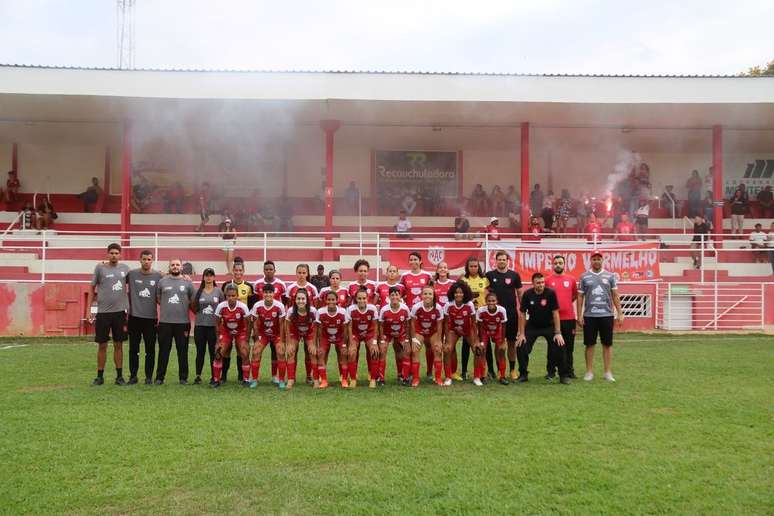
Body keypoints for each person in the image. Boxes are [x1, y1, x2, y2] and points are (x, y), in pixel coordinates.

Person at [86, 243, 130, 385]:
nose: (114, 255)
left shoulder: (125, 269)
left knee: (119, 345)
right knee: (102, 345)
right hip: (103, 313)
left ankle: (119, 376)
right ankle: (100, 376)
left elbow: (137, 280)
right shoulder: (100, 268)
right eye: (111, 253)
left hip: (119, 313)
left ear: (120, 255)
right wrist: (89, 309)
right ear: (107, 254)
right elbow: (92, 288)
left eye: (116, 253)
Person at [577, 252, 623, 382]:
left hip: (607, 315)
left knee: (607, 344)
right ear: (590, 261)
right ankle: (589, 372)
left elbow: (615, 295)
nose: (596, 261)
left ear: (602, 260)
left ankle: (607, 372)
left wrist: (620, 313)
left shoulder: (610, 276)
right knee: (589, 344)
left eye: (599, 259)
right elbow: (580, 297)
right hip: (589, 316)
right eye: (594, 259)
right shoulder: (584, 277)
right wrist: (579, 315)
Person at [516, 272, 569, 384]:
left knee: (560, 345)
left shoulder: (550, 293)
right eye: (538, 283)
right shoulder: (527, 294)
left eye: (542, 282)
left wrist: (558, 332)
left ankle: (562, 375)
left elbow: (555, 313)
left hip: (549, 326)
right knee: (521, 345)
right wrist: (521, 334)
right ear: (533, 284)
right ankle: (523, 374)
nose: (541, 285)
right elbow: (522, 314)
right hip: (533, 326)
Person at [155, 259, 195, 385]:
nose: (175, 267)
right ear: (169, 267)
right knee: (163, 351)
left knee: (182, 351)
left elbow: (192, 301)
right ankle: (160, 378)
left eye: (177, 265)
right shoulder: (162, 282)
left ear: (181, 267)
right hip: (165, 322)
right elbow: (158, 298)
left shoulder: (188, 282)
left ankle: (183, 378)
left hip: (183, 322)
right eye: (173, 265)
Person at [126, 250, 162, 385]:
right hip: (134, 317)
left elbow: (172, 277)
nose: (146, 262)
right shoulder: (131, 274)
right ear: (140, 260)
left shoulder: (159, 276)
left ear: (152, 261)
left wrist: (184, 277)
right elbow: (117, 277)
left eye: (149, 259)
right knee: (133, 349)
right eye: (144, 259)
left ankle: (148, 377)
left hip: (150, 318)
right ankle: (133, 376)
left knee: (150, 350)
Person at [485, 250, 523, 381]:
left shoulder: (514, 275)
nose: (501, 261)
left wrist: (523, 309)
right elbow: (485, 293)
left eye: (504, 259)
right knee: (498, 344)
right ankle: (499, 369)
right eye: (499, 259)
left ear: (508, 261)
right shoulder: (489, 275)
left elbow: (519, 293)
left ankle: (512, 370)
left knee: (511, 343)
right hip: (496, 316)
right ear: (495, 261)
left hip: (511, 314)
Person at [254, 260, 287, 383]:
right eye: (266, 269)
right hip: (263, 322)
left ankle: (276, 377)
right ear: (263, 270)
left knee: (277, 351)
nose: (268, 271)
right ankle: (254, 379)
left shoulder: (281, 284)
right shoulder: (257, 284)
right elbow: (254, 301)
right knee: (257, 350)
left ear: (274, 270)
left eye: (271, 269)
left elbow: (285, 301)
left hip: (276, 324)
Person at [212, 284, 251, 387]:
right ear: (226, 296)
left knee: (244, 351)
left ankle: (245, 379)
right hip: (226, 332)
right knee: (218, 351)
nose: (231, 298)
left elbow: (248, 323)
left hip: (240, 332)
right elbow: (216, 323)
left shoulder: (243, 307)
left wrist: (246, 339)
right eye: (229, 296)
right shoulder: (221, 306)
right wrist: (218, 340)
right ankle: (217, 379)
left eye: (233, 295)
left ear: (237, 295)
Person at [546, 256, 578, 379]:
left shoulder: (571, 280)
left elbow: (574, 296)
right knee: (553, 347)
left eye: (560, 263)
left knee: (569, 347)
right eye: (556, 263)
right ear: (552, 265)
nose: (558, 265)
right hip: (553, 319)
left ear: (564, 264)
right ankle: (551, 372)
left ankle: (569, 370)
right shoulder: (548, 280)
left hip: (569, 318)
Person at [286, 264, 319, 383]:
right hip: (295, 324)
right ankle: (292, 378)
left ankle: (309, 377)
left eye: (304, 273)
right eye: (299, 272)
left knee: (308, 350)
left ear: (307, 274)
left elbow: (315, 307)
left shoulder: (312, 288)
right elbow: (289, 305)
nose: (301, 275)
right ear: (296, 273)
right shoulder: (290, 288)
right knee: (292, 350)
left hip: (308, 324)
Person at [459, 257, 489, 381]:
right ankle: (465, 371)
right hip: (468, 315)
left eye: (475, 266)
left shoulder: (485, 280)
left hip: (481, 316)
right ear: (467, 267)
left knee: (483, 343)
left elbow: (488, 295)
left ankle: (486, 372)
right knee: (466, 343)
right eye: (471, 266)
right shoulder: (463, 279)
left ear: (479, 267)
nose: (473, 268)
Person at [250, 284, 286, 388]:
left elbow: (282, 325)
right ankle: (255, 379)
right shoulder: (257, 305)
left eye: (270, 292)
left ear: (274, 293)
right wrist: (256, 340)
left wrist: (282, 341)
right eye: (266, 292)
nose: (268, 294)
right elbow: (255, 325)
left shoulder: (280, 306)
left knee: (280, 351)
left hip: (276, 334)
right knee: (256, 351)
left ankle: (281, 380)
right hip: (263, 334)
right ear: (262, 293)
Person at [408, 285, 444, 387]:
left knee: (437, 350)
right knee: (415, 350)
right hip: (420, 332)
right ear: (421, 295)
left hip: (433, 332)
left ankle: (438, 378)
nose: (427, 296)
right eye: (425, 294)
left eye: (430, 294)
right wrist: (414, 339)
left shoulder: (438, 308)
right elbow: (412, 324)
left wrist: (439, 340)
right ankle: (415, 378)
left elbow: (440, 325)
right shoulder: (416, 307)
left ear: (433, 295)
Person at [314, 291, 351, 388]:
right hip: (325, 337)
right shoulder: (320, 312)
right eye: (329, 299)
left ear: (337, 300)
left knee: (343, 355)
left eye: (333, 299)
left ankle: (344, 380)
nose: (331, 301)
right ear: (325, 300)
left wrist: (345, 344)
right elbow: (319, 329)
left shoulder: (343, 311)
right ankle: (324, 381)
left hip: (340, 337)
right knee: (321, 354)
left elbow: (346, 329)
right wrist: (319, 344)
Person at [443, 282, 477, 386]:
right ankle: (448, 377)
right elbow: (446, 324)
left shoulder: (469, 304)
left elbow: (474, 322)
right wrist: (446, 339)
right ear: (452, 294)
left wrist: (476, 339)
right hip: (454, 330)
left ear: (465, 293)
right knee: (448, 349)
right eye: (456, 293)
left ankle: (477, 377)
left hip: (467, 329)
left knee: (477, 349)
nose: (458, 295)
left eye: (461, 292)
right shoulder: (448, 304)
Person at [192, 268, 222, 386]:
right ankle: (198, 376)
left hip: (213, 327)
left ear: (214, 277)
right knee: (200, 351)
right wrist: (200, 316)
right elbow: (193, 307)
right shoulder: (197, 291)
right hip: (200, 326)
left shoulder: (218, 291)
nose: (209, 277)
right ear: (203, 277)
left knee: (212, 352)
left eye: (211, 275)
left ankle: (213, 376)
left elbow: (222, 307)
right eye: (206, 275)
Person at [283, 289, 317, 389]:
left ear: (307, 300)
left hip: (309, 333)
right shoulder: (290, 311)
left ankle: (314, 379)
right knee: (291, 352)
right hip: (295, 332)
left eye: (303, 299)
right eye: (298, 299)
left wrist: (313, 344)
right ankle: (290, 379)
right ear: (295, 300)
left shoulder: (313, 311)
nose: (300, 301)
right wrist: (289, 344)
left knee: (312, 352)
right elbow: (287, 328)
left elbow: (316, 329)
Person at [347, 288, 380, 388]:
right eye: (359, 298)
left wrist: (374, 342)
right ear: (356, 299)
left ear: (367, 298)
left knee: (374, 352)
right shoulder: (351, 309)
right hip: (355, 334)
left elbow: (375, 326)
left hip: (369, 334)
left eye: (364, 298)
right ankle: (353, 379)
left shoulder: (372, 308)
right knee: (352, 352)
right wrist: (351, 342)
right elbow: (349, 326)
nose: (362, 300)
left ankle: (373, 379)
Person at [378, 287, 411, 384]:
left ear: (400, 296)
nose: (394, 297)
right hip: (387, 334)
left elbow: (408, 324)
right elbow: (380, 325)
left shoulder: (405, 308)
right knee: (382, 351)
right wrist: (382, 340)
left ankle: (403, 376)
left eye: (397, 294)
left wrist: (407, 339)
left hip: (400, 333)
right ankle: (381, 379)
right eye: (392, 295)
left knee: (404, 352)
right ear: (389, 297)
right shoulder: (384, 309)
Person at [475, 292, 507, 386]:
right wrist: (481, 341)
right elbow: (480, 327)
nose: (491, 302)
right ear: (486, 302)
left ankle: (502, 376)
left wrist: (503, 340)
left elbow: (504, 326)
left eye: (493, 301)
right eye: (489, 301)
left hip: (497, 332)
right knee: (482, 351)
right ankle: (483, 376)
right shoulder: (481, 310)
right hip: (485, 332)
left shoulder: (502, 310)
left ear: (497, 301)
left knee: (501, 350)